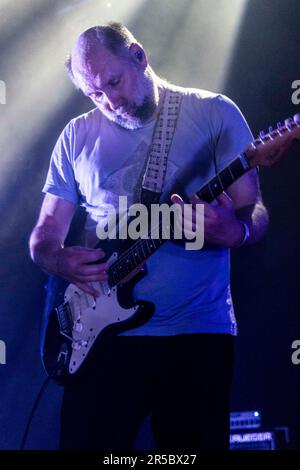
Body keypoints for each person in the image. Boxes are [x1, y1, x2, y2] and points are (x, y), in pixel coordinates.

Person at [29, 22, 269, 451]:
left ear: (138, 56)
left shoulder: (215, 113)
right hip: (100, 338)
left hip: (197, 333)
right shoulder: (75, 137)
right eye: (95, 94)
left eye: (114, 82)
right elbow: (44, 235)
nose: (110, 101)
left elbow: (255, 210)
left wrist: (236, 229)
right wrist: (56, 258)